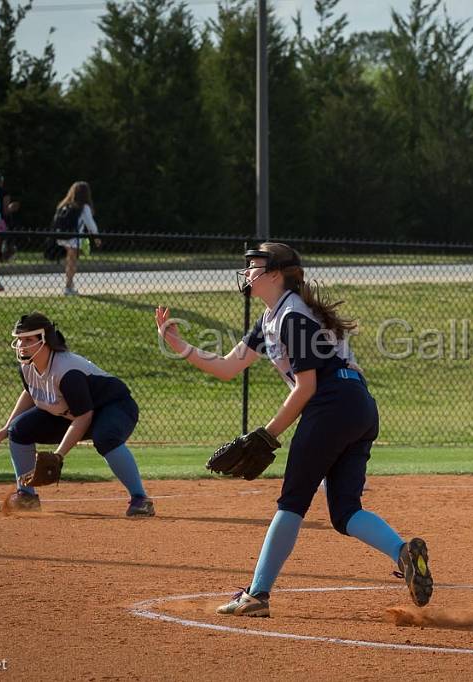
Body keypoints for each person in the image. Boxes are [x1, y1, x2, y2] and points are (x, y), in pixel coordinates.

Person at [154, 242, 432, 617]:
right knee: (345, 510)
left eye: (255, 265)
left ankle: (257, 595)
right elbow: (227, 367)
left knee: (292, 501)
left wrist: (267, 434)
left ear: (275, 274)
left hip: (332, 404)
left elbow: (307, 388)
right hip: (359, 406)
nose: (248, 271)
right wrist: (179, 345)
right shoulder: (273, 318)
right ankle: (403, 552)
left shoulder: (292, 318)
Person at [0, 312, 155, 517]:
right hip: (70, 413)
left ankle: (140, 499)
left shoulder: (67, 371)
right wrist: (7, 427)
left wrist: (58, 456)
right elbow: (31, 393)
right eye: (19, 339)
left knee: (105, 437)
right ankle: (26, 496)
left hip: (114, 407)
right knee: (19, 430)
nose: (22, 345)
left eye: (29, 339)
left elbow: (84, 416)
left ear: (45, 340)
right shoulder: (27, 367)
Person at [53, 181, 102, 296]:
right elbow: (90, 224)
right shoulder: (84, 207)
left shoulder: (65, 205)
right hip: (73, 238)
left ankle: (70, 284)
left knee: (69, 260)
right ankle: (68, 286)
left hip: (62, 236)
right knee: (72, 262)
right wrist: (97, 237)